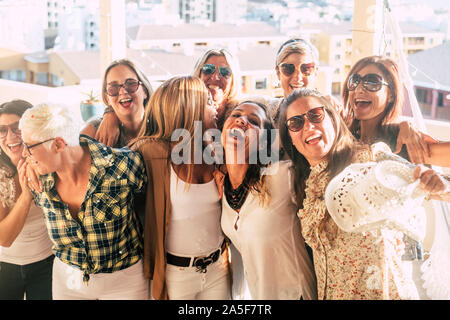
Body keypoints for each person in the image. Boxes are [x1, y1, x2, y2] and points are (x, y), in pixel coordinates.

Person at [278, 88, 448, 299]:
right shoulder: (304, 183)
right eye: (296, 123)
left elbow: (431, 185)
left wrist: (437, 185)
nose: (308, 126)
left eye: (316, 115)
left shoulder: (370, 160)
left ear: (333, 119)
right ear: (290, 137)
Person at [19, 102, 149, 300]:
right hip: (67, 280)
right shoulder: (38, 179)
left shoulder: (124, 165)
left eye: (29, 147)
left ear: (58, 144)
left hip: (124, 280)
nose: (24, 153)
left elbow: (151, 205)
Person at [129, 76, 230, 300]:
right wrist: (104, 118)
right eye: (206, 100)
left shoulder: (216, 150)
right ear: (188, 109)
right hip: (176, 276)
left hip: (218, 269)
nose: (214, 103)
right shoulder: (151, 153)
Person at [341, 55, 442, 261]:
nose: (360, 88)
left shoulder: (405, 141)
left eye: (372, 82)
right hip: (351, 258)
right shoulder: (342, 139)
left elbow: (439, 183)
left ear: (391, 95)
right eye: (354, 81)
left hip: (396, 256)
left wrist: (441, 186)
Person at [219, 100, 317, 299]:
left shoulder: (282, 176)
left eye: (253, 121)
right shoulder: (222, 187)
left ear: (265, 141)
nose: (241, 121)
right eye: (236, 115)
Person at [0, 100, 54, 300]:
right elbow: (4, 238)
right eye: (2, 130)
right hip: (5, 267)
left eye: (17, 128)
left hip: (47, 264)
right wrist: (26, 195)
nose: (10, 137)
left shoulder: (48, 162)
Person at [81, 58, 153, 147]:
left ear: (145, 90)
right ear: (107, 98)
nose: (123, 91)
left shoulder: (163, 127)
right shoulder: (92, 133)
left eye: (130, 83)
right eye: (113, 87)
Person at [192, 48, 241, 129]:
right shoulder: (184, 112)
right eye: (208, 69)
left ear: (233, 80)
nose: (215, 78)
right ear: (198, 74)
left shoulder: (242, 116)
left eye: (225, 72)